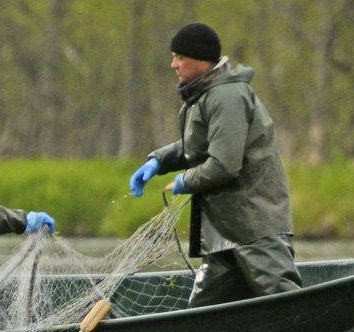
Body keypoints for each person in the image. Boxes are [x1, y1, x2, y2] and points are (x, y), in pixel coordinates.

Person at [129, 22, 302, 308]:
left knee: (285, 303)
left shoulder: (227, 97)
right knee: (202, 313)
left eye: (180, 57)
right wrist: (158, 161)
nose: (173, 64)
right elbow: (195, 147)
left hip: (254, 227)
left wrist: (187, 181)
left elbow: (224, 164)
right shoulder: (204, 95)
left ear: (201, 59)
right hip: (224, 232)